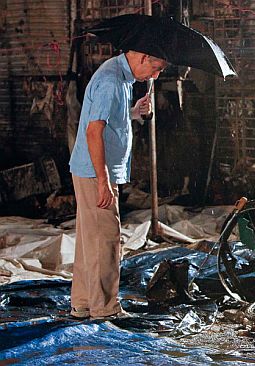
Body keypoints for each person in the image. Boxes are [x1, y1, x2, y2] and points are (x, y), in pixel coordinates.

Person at [68, 50, 168, 319]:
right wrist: (103, 182)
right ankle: (105, 309)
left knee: (91, 239)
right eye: (156, 67)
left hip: (91, 170)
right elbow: (93, 131)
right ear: (144, 56)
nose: (156, 75)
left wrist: (134, 112)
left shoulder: (120, 76)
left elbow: (112, 119)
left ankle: (83, 303)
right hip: (95, 172)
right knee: (106, 240)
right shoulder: (112, 81)